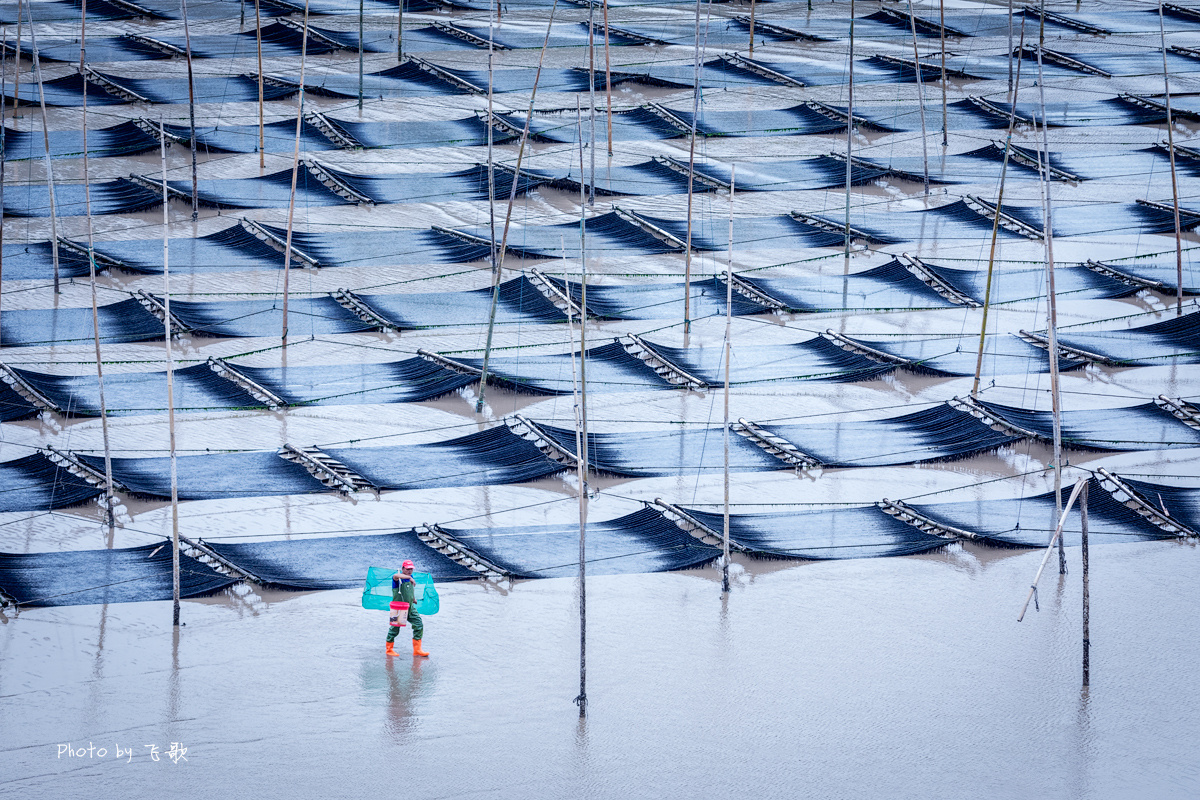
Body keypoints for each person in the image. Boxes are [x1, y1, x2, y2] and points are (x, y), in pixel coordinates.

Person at [385, 560, 429, 658]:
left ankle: (417, 650)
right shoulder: (398, 579)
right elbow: (395, 576)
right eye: (407, 569)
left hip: (410, 607)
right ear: (403, 569)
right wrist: (409, 578)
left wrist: (413, 599)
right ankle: (389, 649)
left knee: (418, 624)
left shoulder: (411, 577)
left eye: (411, 569)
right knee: (395, 629)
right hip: (399, 608)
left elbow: (410, 590)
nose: (409, 571)